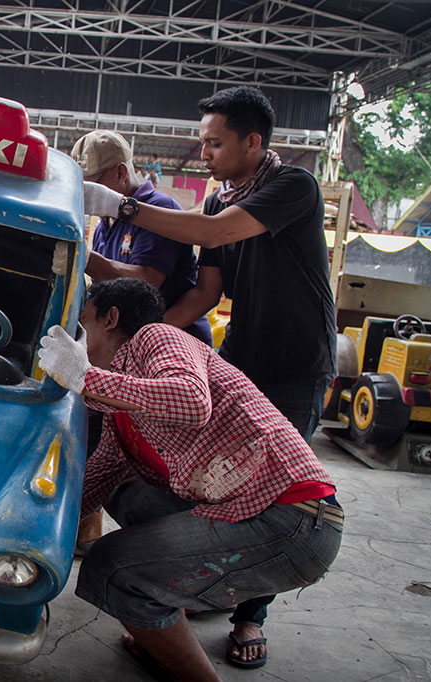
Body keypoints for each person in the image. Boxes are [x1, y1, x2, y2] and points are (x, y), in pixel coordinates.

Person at [82, 86, 337, 666]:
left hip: (297, 360)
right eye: (202, 142)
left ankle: (250, 620)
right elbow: (205, 292)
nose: (204, 154)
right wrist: (141, 342)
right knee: (214, 477)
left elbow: (211, 235)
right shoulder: (222, 199)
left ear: (253, 141)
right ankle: (192, 580)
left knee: (273, 482)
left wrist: (118, 205)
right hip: (245, 350)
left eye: (214, 143)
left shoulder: (293, 186)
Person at [37, 278, 342, 682]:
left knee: (111, 568)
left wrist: (84, 377)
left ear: (111, 318)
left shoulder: (156, 337)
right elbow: (94, 483)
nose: (76, 339)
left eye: (83, 322)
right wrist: (31, 535)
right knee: (125, 492)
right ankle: (161, 639)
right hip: (259, 514)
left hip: (296, 519)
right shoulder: (122, 406)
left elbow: (191, 400)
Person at [71, 130, 212, 346]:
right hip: (137, 342)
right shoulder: (105, 224)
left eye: (93, 188)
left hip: (176, 344)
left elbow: (145, 283)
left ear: (120, 172)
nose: (87, 197)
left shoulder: (158, 210)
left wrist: (82, 256)